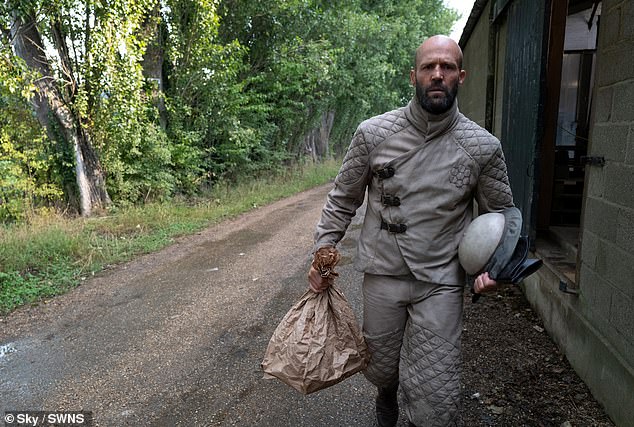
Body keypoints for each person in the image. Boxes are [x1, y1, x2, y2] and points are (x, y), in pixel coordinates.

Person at [307, 35, 514, 427]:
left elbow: (503, 214)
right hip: (384, 271)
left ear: (461, 76)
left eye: (447, 68)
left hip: (441, 279)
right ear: (414, 75)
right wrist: (323, 249)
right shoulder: (372, 134)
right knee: (381, 368)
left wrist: (498, 267)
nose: (438, 75)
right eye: (429, 67)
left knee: (436, 393)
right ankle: (387, 397)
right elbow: (342, 198)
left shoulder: (483, 147)